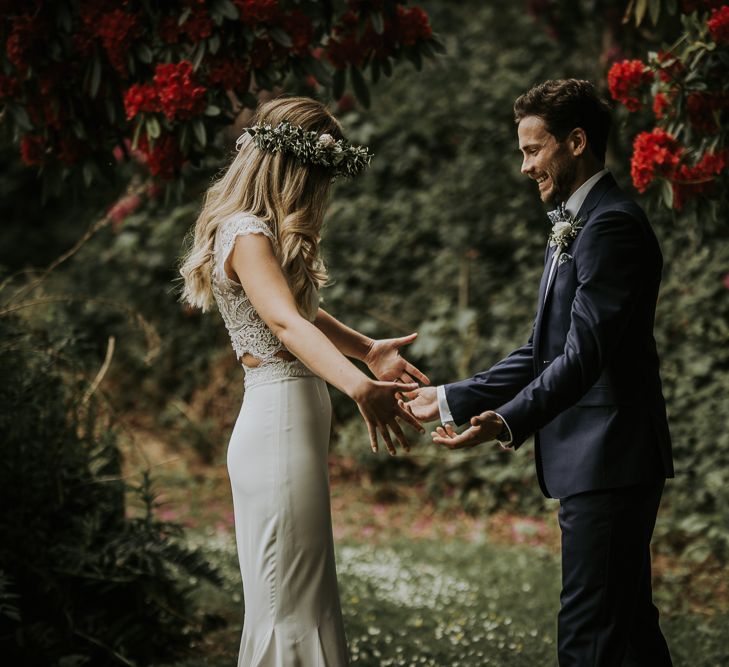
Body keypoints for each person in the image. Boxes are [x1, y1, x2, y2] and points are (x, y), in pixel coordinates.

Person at [404, 79, 674, 666]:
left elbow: (582, 356)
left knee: (589, 637)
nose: (524, 165)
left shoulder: (610, 225)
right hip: (602, 460)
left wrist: (505, 420)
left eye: (532, 149)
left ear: (576, 141)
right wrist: (448, 397)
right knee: (627, 631)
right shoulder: (572, 225)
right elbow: (540, 350)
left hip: (610, 458)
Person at [180, 96, 427, 666]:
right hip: (276, 422)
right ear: (292, 167)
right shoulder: (245, 232)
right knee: (287, 603)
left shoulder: (257, 233)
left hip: (289, 420)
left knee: (302, 596)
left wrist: (368, 350)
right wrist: (357, 386)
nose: (320, 193)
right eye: (319, 176)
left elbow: (301, 312)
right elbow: (286, 322)